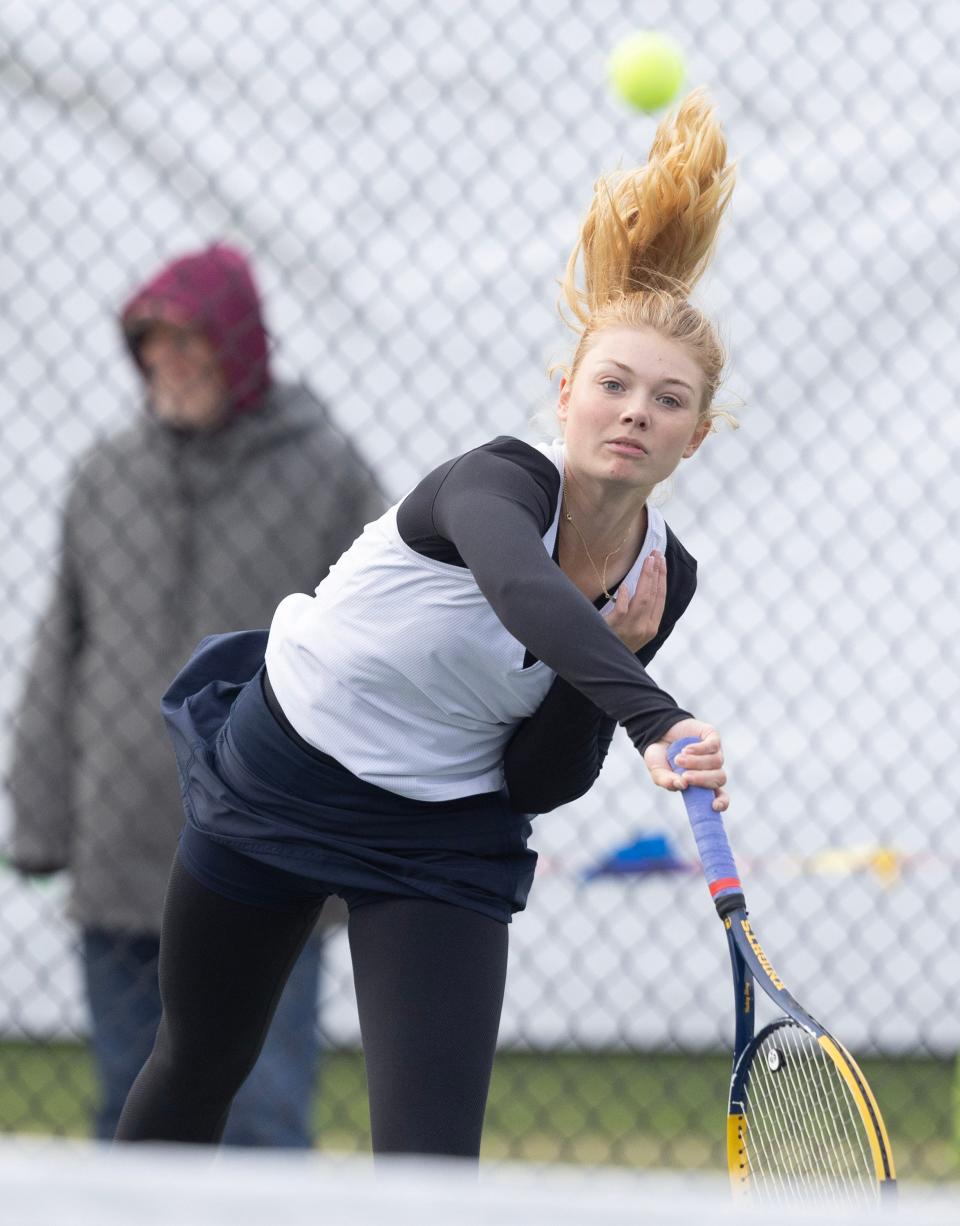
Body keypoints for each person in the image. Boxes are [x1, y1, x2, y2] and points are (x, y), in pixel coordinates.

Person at [113, 90, 735, 1158]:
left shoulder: (659, 579)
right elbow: (523, 593)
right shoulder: (492, 484)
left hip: (438, 830)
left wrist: (619, 670)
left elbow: (533, 777)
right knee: (199, 1063)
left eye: (667, 400)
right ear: (566, 392)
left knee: (433, 1157)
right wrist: (650, 712)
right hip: (285, 765)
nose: (635, 409)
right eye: (614, 383)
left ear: (697, 435)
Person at [7, 242, 385, 1145]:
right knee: (127, 1115)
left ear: (239, 346)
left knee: (258, 1115)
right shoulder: (106, 476)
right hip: (122, 851)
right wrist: (38, 822)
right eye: (152, 344)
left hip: (268, 858)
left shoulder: (327, 472)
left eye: (190, 342)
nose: (168, 364)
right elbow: (62, 647)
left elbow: (380, 650)